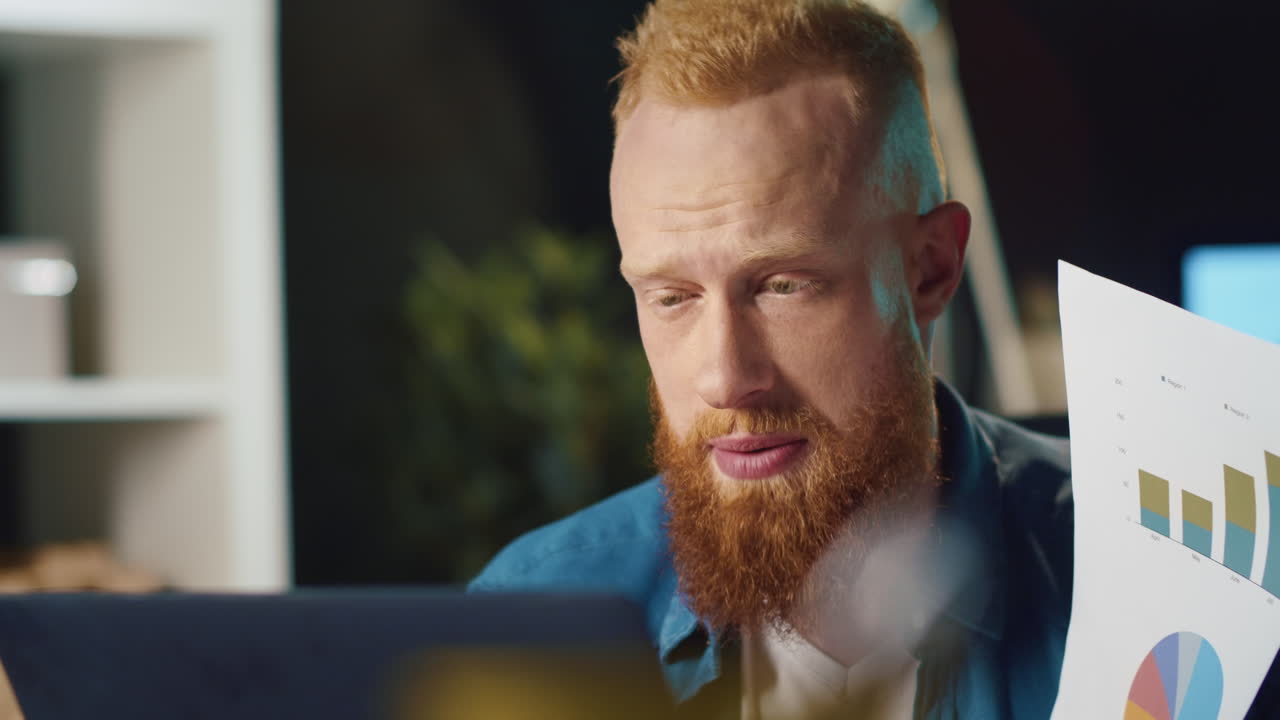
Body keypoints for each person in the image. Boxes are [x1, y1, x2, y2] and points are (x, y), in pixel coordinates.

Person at [469, 1, 1074, 717]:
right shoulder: (533, 622)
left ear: (931, 270)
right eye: (672, 298)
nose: (725, 378)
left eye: (784, 286)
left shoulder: (1158, 581)